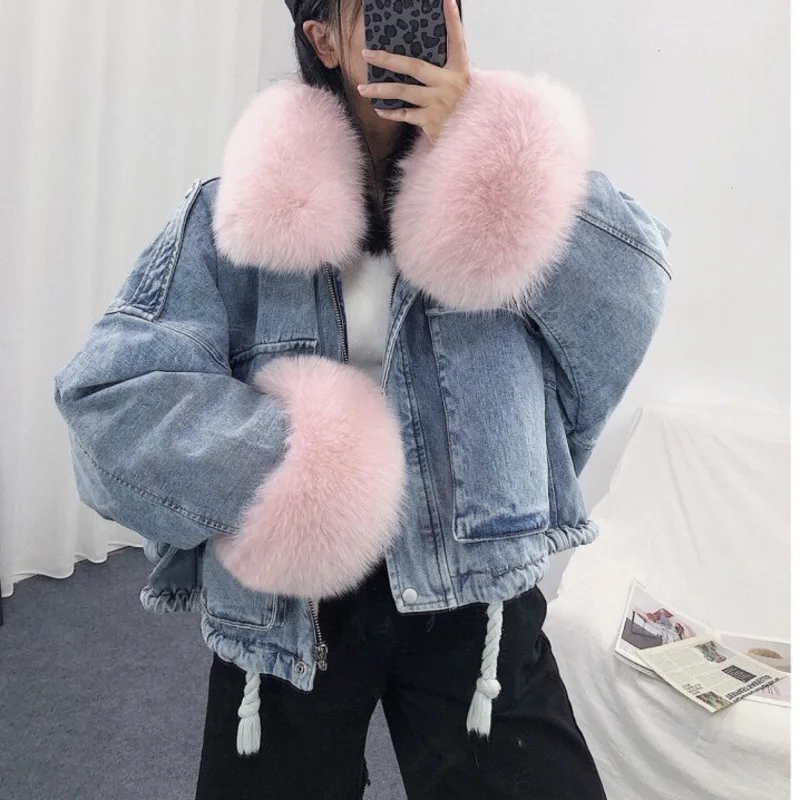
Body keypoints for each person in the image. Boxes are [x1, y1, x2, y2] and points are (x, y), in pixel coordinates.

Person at [53, 0, 674, 797]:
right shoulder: (232, 214)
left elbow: (627, 304)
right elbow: (108, 402)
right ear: (324, 38)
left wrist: (484, 144)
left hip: (472, 579)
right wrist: (301, 464)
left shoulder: (513, 187)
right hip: (296, 596)